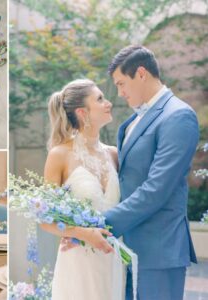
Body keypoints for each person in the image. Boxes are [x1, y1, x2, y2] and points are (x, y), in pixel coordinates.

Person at [102, 45, 199, 300]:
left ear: (142, 73)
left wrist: (101, 222)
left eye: (122, 84)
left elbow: (156, 189)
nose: (120, 93)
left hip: (159, 251)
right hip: (126, 249)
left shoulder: (178, 116)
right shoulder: (132, 122)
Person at [41, 79, 125, 300]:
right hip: (78, 260)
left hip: (112, 258)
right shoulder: (59, 155)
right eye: (99, 99)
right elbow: (43, 218)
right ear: (82, 112)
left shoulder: (115, 154)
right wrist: (80, 233)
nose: (108, 103)